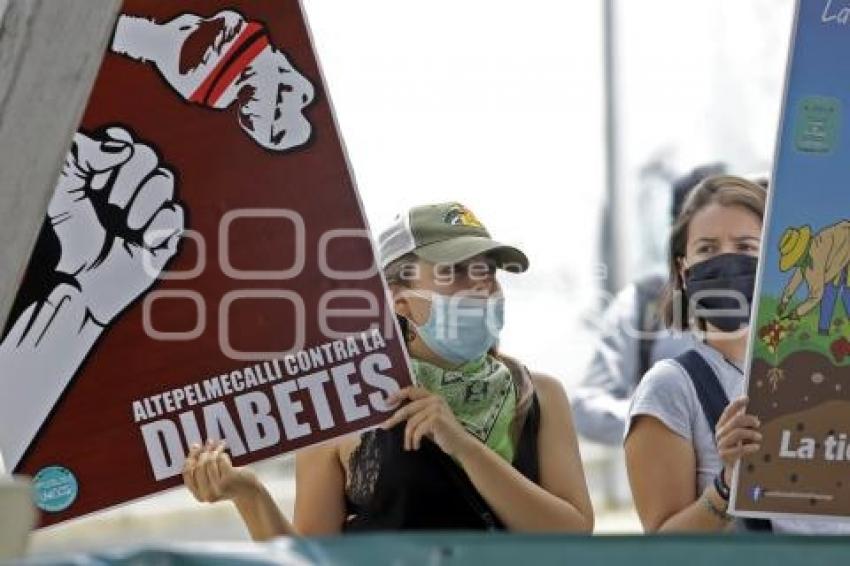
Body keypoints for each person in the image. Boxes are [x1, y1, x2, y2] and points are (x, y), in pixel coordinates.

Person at [181, 202, 594, 537]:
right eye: (454, 272)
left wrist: (463, 446)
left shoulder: (539, 394)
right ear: (398, 299)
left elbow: (573, 535)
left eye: (488, 271)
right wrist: (249, 495)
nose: (481, 284)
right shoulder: (344, 404)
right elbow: (312, 561)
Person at [624, 175, 850, 534]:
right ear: (684, 270)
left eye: (745, 247)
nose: (727, 262)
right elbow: (662, 551)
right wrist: (729, 482)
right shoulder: (671, 388)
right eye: (708, 249)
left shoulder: (831, 373)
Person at [572, 164, 726, 445]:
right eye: (708, 245)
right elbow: (586, 407)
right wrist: (665, 416)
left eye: (742, 242)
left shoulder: (780, 306)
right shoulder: (642, 303)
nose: (725, 258)